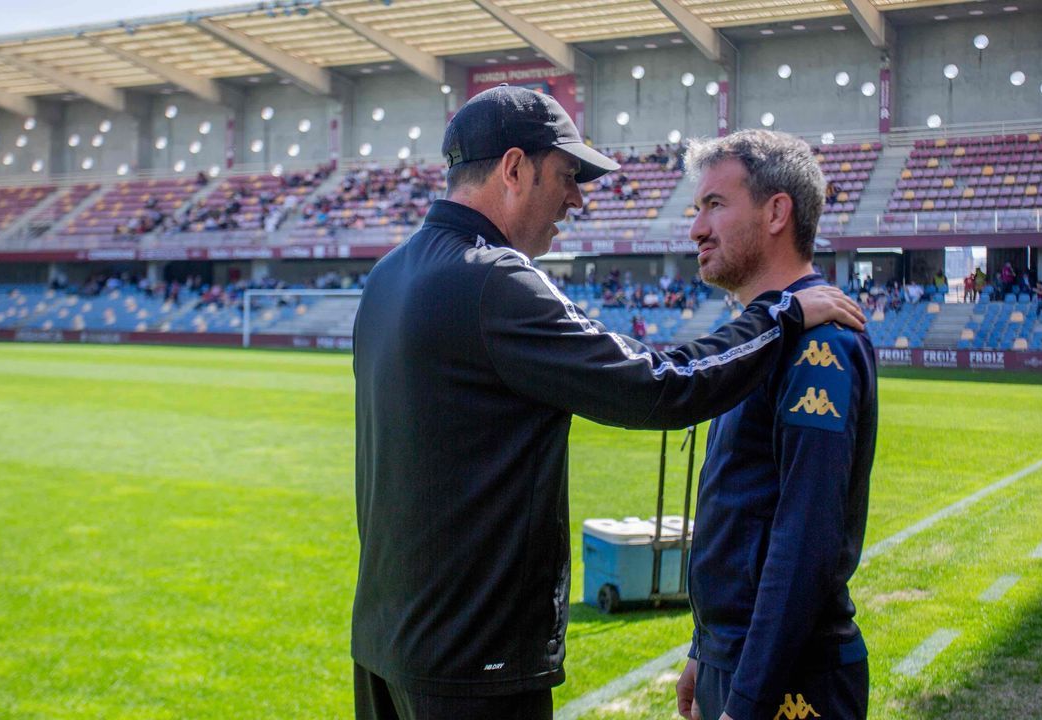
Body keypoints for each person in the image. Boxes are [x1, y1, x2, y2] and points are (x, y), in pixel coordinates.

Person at [350, 87, 865, 720]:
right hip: (470, 664)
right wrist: (778, 316)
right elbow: (657, 386)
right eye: (567, 176)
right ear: (514, 169)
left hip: (385, 646)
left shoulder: (388, 276)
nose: (578, 198)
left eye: (712, 205)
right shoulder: (493, 278)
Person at [673, 130, 877, 720]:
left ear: (776, 212)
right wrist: (704, 648)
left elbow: (804, 541)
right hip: (735, 659)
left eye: (714, 204)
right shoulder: (762, 338)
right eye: (696, 209)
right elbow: (741, 506)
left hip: (790, 681)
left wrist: (747, 700)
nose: (696, 229)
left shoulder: (822, 344)